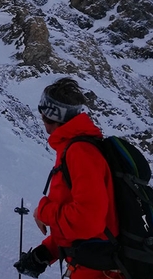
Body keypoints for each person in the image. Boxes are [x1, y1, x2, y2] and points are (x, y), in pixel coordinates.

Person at [14, 77, 123, 279]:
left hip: (98, 272)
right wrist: (45, 253)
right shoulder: (73, 148)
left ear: (53, 118)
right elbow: (80, 223)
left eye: (45, 116)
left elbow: (88, 221)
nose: (42, 120)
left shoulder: (80, 153)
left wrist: (43, 211)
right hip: (88, 265)